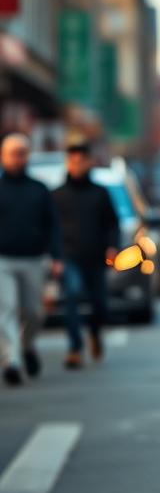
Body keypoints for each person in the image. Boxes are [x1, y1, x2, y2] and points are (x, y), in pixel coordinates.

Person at [0, 132, 63, 385]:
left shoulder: (39, 189)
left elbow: (53, 226)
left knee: (34, 313)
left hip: (34, 259)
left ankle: (27, 347)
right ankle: (11, 362)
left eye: (22, 153)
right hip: (3, 260)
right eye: (13, 154)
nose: (18, 159)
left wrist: (57, 257)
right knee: (7, 310)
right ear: (3, 157)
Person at [51, 138, 119, 368]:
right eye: (73, 161)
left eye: (82, 161)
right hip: (68, 257)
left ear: (90, 162)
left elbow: (112, 223)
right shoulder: (57, 195)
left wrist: (112, 246)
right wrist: (53, 256)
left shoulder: (100, 193)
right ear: (67, 163)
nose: (77, 165)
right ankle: (75, 348)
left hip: (96, 257)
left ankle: (95, 333)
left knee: (100, 305)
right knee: (72, 296)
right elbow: (50, 228)